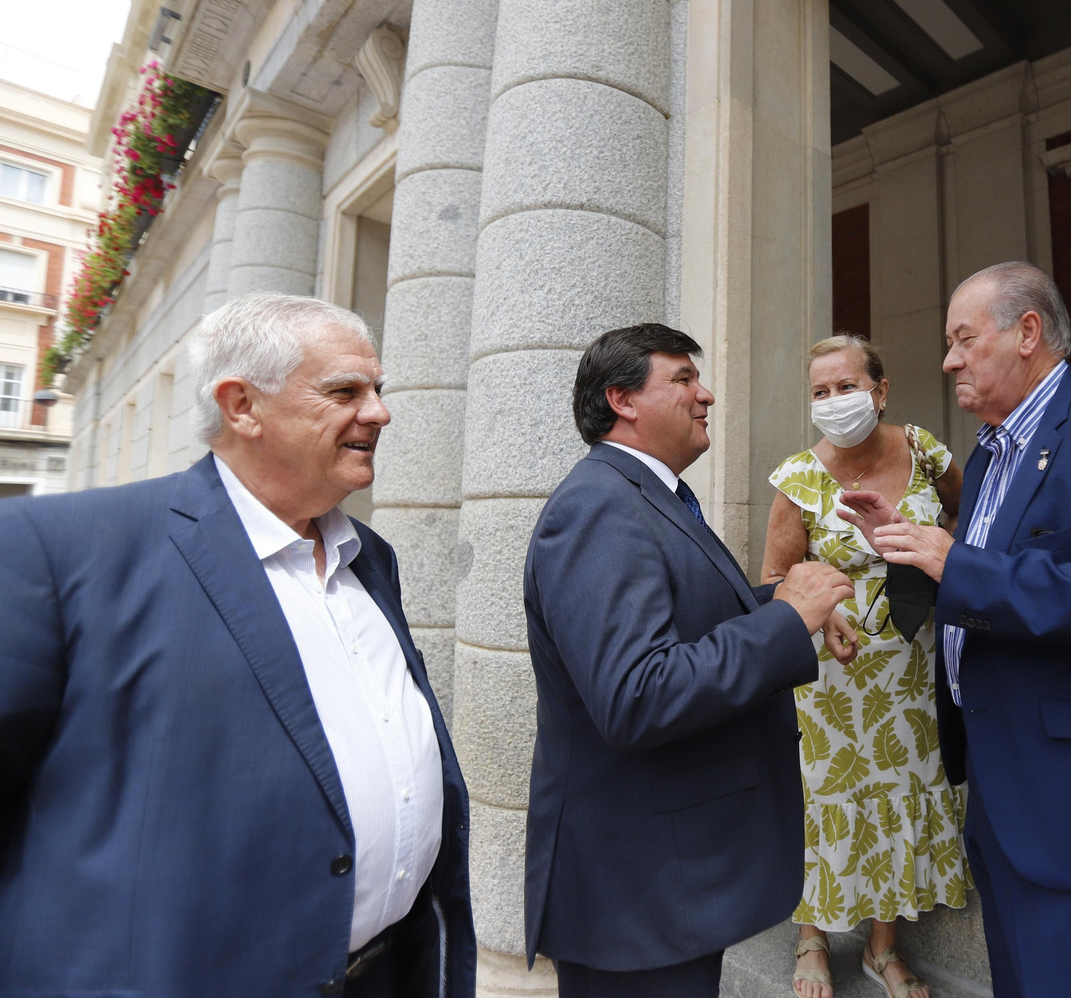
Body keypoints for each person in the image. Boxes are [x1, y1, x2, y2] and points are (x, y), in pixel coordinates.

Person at [0, 293, 474, 998]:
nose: (379, 413)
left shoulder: (371, 558)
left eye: (377, 389)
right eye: (345, 391)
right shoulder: (60, 549)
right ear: (242, 406)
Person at [842, 262, 1071, 998]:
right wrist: (911, 548)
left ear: (1028, 332)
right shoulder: (988, 451)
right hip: (1003, 784)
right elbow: (983, 580)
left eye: (964, 340)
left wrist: (957, 563)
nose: (949, 361)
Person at [521, 323, 856, 998]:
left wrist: (784, 601)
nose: (706, 395)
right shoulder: (598, 507)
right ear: (622, 400)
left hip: (666, 885)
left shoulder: (647, 495)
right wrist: (787, 621)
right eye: (682, 379)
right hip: (636, 900)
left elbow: (685, 617)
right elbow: (637, 693)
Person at [762, 334, 968, 998]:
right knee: (828, 796)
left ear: (880, 392)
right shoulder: (798, 478)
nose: (833, 401)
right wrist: (819, 612)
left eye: (846, 387)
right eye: (820, 392)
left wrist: (940, 555)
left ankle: (883, 948)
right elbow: (773, 578)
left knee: (901, 792)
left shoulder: (924, 450)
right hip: (831, 673)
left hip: (912, 665)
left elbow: (971, 515)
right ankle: (813, 937)